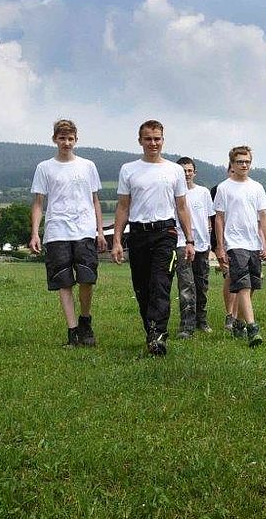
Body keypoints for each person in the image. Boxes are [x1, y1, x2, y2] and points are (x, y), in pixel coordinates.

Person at [111, 120, 195, 356]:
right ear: (140, 141)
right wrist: (117, 240)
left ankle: (158, 336)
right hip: (138, 233)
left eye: (157, 138)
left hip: (165, 234)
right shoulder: (128, 169)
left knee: (161, 285)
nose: (153, 143)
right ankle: (151, 330)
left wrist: (189, 240)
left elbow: (181, 207)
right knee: (142, 288)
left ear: (163, 140)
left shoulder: (174, 170)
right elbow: (123, 207)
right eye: (148, 139)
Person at [28, 119, 107, 348]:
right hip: (56, 231)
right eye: (62, 138)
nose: (66, 142)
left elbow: (95, 200)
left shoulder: (88, 166)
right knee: (63, 281)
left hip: (84, 229)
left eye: (70, 138)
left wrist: (100, 231)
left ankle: (85, 320)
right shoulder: (45, 167)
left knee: (86, 278)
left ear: (76, 140)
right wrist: (35, 233)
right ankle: (72, 331)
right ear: (54, 139)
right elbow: (38, 203)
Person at [213, 145, 266, 347]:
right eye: (240, 162)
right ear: (232, 164)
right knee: (244, 286)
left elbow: (263, 216)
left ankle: (238, 322)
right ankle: (253, 328)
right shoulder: (224, 187)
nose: (244, 165)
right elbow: (219, 218)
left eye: (247, 161)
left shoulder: (257, 187)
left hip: (254, 243)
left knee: (253, 285)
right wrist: (220, 246)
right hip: (234, 243)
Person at [174, 156, 215, 339]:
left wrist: (209, 239)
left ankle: (201, 321)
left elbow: (209, 218)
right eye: (183, 171)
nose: (187, 174)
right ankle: (186, 326)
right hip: (182, 243)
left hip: (202, 245)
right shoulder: (173, 193)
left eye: (190, 170)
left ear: (195, 173)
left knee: (202, 284)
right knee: (186, 285)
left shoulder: (204, 192)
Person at [211, 166, 237, 331]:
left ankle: (236, 314)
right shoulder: (218, 190)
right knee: (230, 276)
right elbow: (214, 218)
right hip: (223, 240)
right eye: (232, 171)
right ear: (229, 171)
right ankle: (230, 315)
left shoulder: (249, 188)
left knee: (241, 278)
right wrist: (218, 244)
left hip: (242, 241)